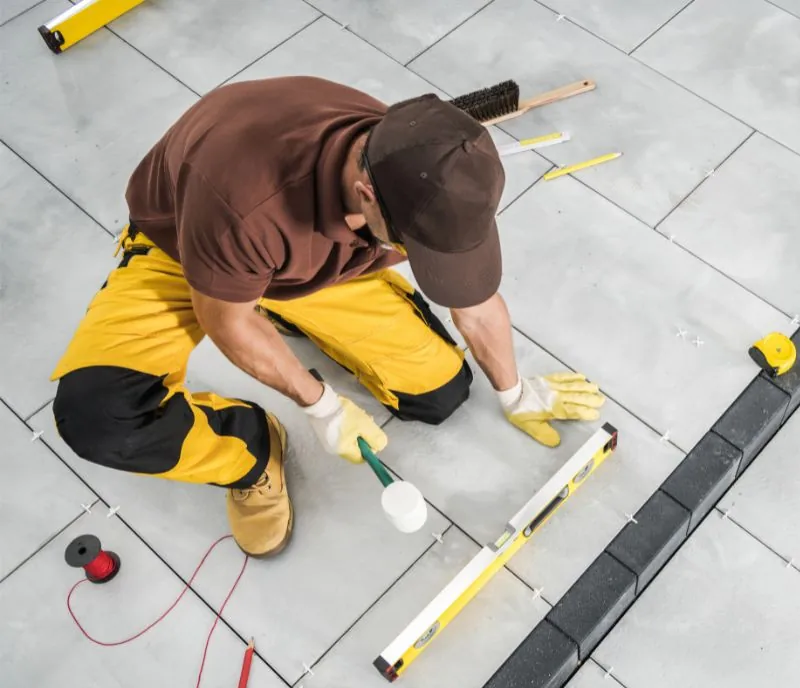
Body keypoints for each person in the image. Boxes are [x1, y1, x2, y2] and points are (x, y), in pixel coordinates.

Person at [50, 76, 605, 558]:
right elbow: (229, 324)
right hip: (191, 252)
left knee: (437, 395)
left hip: (308, 265)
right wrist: (321, 406)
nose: (423, 258)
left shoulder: (421, 165)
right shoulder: (242, 204)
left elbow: (475, 304)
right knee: (101, 418)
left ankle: (289, 309)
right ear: (365, 195)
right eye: (417, 249)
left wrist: (514, 392)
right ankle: (248, 451)